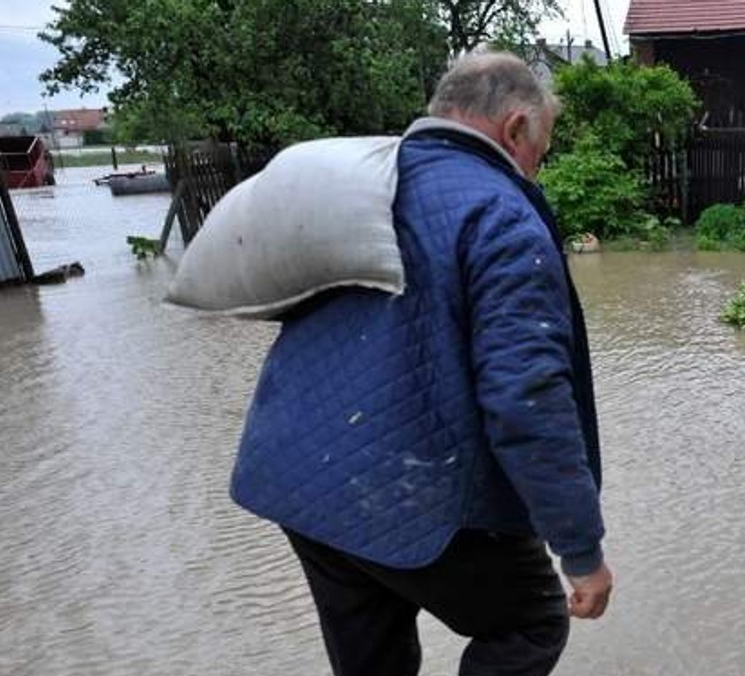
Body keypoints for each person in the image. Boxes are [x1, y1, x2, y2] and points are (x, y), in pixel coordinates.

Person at [229, 52, 611, 676]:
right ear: (515, 129)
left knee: (371, 655)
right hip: (400, 489)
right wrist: (581, 551)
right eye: (541, 148)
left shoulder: (359, 184)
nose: (537, 166)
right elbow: (528, 399)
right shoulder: (503, 217)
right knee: (531, 621)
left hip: (299, 477)